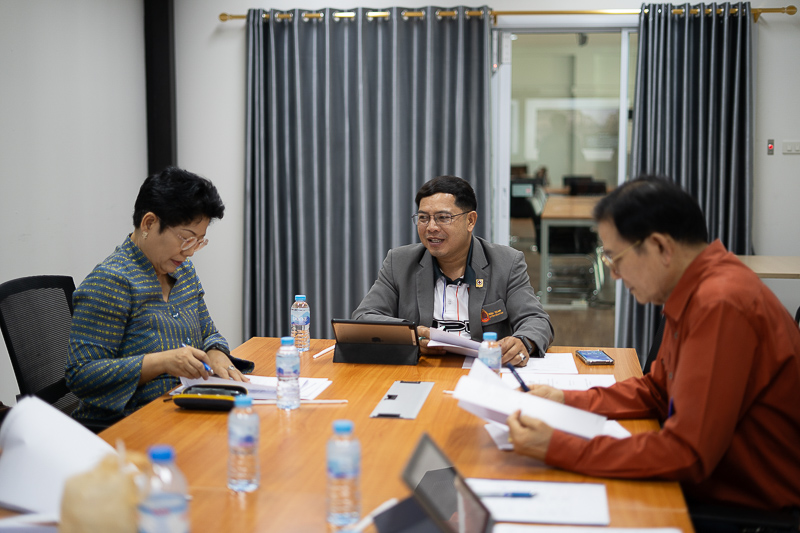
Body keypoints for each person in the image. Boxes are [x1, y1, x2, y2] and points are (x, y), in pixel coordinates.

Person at [507, 177, 800, 514]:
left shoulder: (720, 303)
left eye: (615, 258)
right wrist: (565, 399)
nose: (615, 275)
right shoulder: (698, 287)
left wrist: (558, 446)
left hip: (747, 510)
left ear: (661, 247)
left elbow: (687, 454)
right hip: (713, 486)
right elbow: (658, 391)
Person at [66, 167, 253, 425]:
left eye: (199, 241)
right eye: (186, 239)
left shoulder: (183, 272)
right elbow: (81, 375)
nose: (190, 252)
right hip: (127, 425)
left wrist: (216, 352)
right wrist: (162, 362)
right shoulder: (111, 281)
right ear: (149, 223)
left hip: (182, 409)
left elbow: (208, 332)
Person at [352, 175, 553, 365]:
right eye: (423, 218)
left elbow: (536, 320)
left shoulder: (506, 263)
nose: (431, 227)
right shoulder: (399, 262)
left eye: (443, 217)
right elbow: (364, 317)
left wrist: (523, 341)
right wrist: (412, 336)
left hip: (483, 371)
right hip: (424, 370)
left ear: (470, 221)